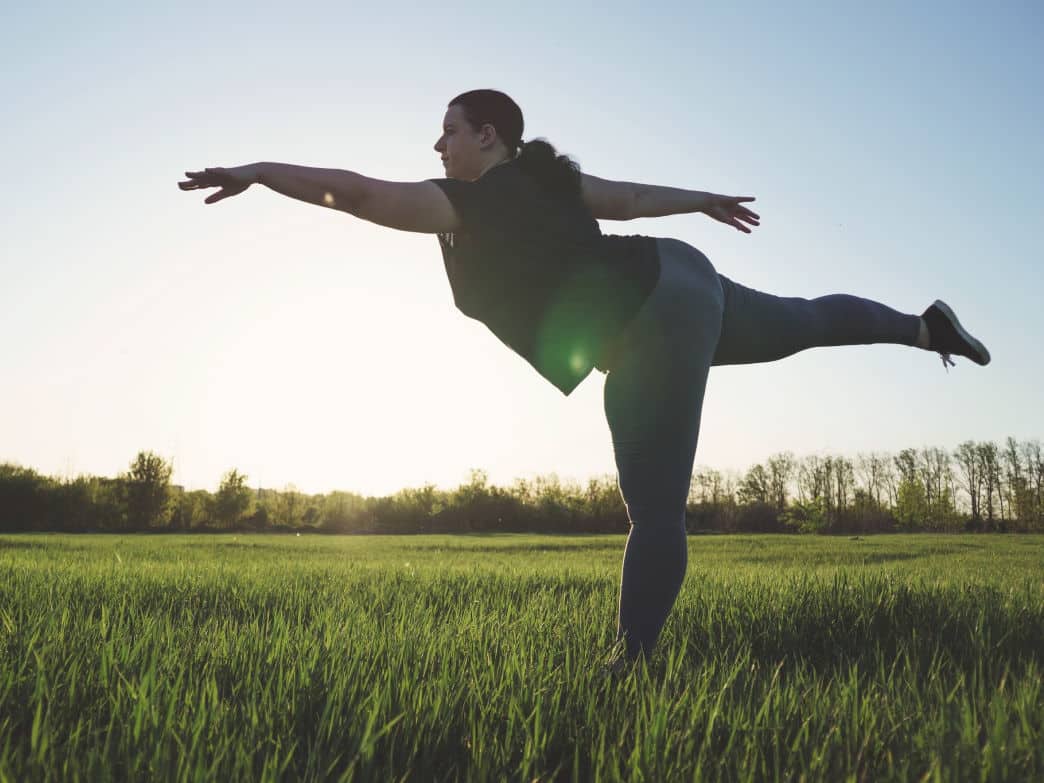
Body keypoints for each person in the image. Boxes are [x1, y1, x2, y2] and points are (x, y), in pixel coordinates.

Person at [178, 88, 991, 669]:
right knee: (805, 321)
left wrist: (259, 169)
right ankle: (926, 328)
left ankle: (630, 667)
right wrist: (702, 200)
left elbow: (355, 194)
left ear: (488, 136)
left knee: (656, 510)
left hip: (650, 318)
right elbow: (629, 199)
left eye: (449, 130)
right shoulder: (547, 180)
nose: (437, 146)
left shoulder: (473, 202)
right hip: (681, 281)